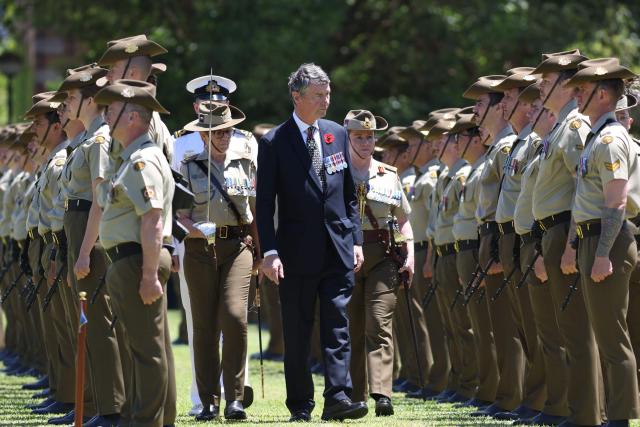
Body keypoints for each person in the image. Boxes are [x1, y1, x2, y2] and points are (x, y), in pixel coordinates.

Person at [256, 63, 367, 422]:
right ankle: (300, 405)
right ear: (297, 96)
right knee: (298, 331)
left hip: (337, 248)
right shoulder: (274, 141)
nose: (326, 100)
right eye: (318, 95)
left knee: (338, 328)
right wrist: (269, 252)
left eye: (328, 93)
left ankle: (338, 398)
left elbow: (350, 195)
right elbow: (264, 204)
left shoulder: (336, 133)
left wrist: (356, 240)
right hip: (294, 254)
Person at [172, 73, 258, 416]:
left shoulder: (247, 146)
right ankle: (206, 399)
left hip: (237, 244)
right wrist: (178, 241)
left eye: (222, 105)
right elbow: (172, 206)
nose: (223, 133)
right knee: (203, 325)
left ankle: (235, 395)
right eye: (210, 105)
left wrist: (266, 252)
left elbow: (256, 203)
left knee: (235, 317)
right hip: (196, 246)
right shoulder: (182, 147)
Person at [94, 79, 176, 427]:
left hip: (138, 261)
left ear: (131, 117)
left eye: (111, 111)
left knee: (146, 351)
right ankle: (152, 418)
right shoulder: (128, 159)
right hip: (128, 261)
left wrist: (147, 276)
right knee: (139, 348)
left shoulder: (143, 160)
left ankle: (147, 421)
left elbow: (152, 220)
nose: (105, 115)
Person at [530, 50, 604, 427]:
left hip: (565, 231)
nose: (541, 86)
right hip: (553, 232)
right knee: (567, 329)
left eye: (546, 80)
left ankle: (588, 415)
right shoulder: (560, 126)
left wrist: (573, 243)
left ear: (566, 85)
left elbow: (585, 186)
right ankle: (581, 410)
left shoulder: (574, 126)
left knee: (576, 330)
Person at [566, 57, 640, 427]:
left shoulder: (610, 139)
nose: (576, 95)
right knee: (609, 335)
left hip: (605, 239)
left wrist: (602, 254)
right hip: (593, 237)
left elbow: (616, 202)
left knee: (613, 340)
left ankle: (620, 418)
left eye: (581, 89)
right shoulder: (597, 136)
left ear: (603, 94)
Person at [56, 64, 125, 427]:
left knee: (98, 322)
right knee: (88, 323)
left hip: (90, 232)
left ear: (90, 100)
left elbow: (100, 199)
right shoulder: (85, 139)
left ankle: (111, 408)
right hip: (77, 226)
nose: (66, 103)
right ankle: (97, 402)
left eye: (70, 97)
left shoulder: (98, 140)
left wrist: (85, 250)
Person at [344, 109, 413, 417]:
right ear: (347, 138)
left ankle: (382, 393)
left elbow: (403, 221)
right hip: (345, 257)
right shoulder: (336, 173)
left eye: (370, 137)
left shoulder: (389, 174)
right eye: (359, 136)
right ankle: (355, 395)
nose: (366, 142)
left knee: (378, 322)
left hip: (383, 257)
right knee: (352, 327)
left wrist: (409, 254)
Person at [513, 85, 569, 426]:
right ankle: (556, 404)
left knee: (566, 334)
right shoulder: (542, 148)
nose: (529, 115)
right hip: (537, 238)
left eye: (536, 109)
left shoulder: (569, 133)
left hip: (558, 235)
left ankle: (571, 406)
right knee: (545, 333)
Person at [450, 112, 498, 409]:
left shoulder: (483, 168)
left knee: (489, 327)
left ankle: (494, 390)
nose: (456, 143)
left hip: (480, 245)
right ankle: (486, 388)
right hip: (467, 249)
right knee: (478, 327)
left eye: (460, 137)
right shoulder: (473, 170)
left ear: (476, 139)